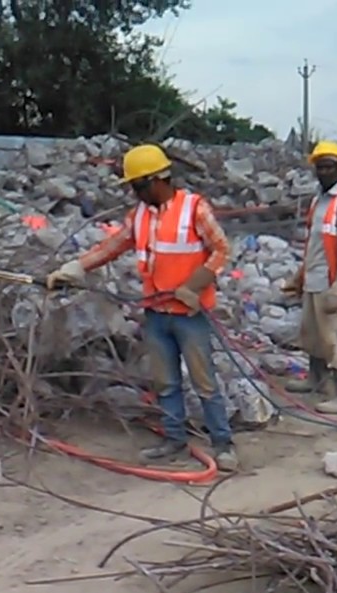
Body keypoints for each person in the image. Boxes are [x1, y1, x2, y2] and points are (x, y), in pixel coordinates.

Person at [46, 144, 239, 472]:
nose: (135, 192)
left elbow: (221, 250)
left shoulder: (194, 209)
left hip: (189, 315)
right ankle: (173, 438)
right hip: (156, 313)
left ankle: (223, 444)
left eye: (137, 185)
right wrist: (76, 267)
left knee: (204, 381)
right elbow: (113, 245)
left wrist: (195, 284)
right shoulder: (140, 216)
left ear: (156, 180)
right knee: (164, 381)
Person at [281, 141, 337, 414]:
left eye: (329, 167)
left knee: (334, 338)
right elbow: (315, 245)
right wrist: (299, 277)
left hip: (330, 282)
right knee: (312, 335)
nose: (324, 172)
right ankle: (315, 380)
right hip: (314, 279)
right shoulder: (318, 202)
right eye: (320, 167)